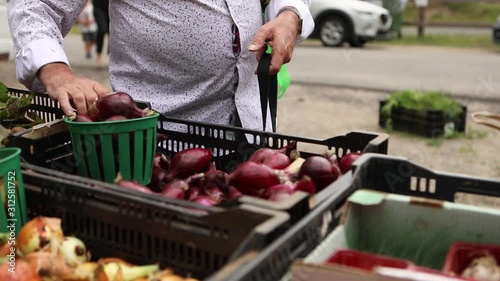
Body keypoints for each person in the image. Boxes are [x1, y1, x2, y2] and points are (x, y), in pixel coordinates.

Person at [7, 1, 314, 133]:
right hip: (156, 142)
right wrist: (56, 71)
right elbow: (37, 5)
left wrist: (290, 14)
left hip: (253, 128)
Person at [92, 0, 109, 66]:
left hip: (111, 6)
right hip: (98, 6)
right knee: (102, 29)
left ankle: (110, 55)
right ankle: (99, 54)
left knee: (112, 32)